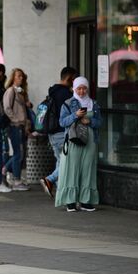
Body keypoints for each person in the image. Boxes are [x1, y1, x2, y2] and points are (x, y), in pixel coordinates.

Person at [55, 76, 101, 212]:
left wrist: (90, 122)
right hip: (73, 140)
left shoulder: (94, 104)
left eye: (84, 88)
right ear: (74, 89)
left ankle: (86, 201)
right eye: (79, 88)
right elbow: (62, 122)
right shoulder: (68, 103)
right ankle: (70, 201)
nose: (81, 91)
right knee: (71, 169)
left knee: (88, 169)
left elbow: (100, 122)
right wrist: (75, 115)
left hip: (91, 140)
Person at [39, 66, 78, 198]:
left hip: (52, 133)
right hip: (62, 133)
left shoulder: (52, 91)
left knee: (60, 161)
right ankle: (49, 179)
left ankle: (59, 191)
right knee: (66, 163)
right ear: (69, 79)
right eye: (74, 79)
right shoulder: (66, 95)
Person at [2, 68, 32, 191]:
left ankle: (7, 171)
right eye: (18, 76)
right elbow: (7, 108)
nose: (21, 78)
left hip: (20, 126)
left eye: (22, 76)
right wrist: (16, 120)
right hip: (14, 126)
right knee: (18, 153)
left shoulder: (21, 92)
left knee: (20, 153)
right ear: (13, 78)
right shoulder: (10, 91)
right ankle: (16, 180)